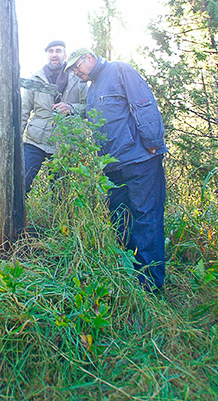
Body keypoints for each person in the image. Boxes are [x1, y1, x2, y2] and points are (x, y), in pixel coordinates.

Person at [65, 48, 168, 291]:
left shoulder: (119, 69)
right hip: (113, 168)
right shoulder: (93, 88)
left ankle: (151, 288)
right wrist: (73, 110)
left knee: (146, 218)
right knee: (121, 220)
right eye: (72, 70)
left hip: (140, 161)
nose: (75, 72)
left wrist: (153, 142)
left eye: (76, 66)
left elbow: (144, 104)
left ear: (89, 58)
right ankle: (132, 276)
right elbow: (96, 116)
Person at [21, 40, 87, 193]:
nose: (54, 54)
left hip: (64, 142)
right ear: (47, 55)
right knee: (21, 183)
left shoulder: (79, 78)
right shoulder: (36, 78)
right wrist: (16, 140)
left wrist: (71, 108)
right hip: (35, 140)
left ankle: (56, 218)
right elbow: (23, 111)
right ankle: (16, 217)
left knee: (60, 192)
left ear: (64, 55)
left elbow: (89, 108)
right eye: (51, 51)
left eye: (58, 51)